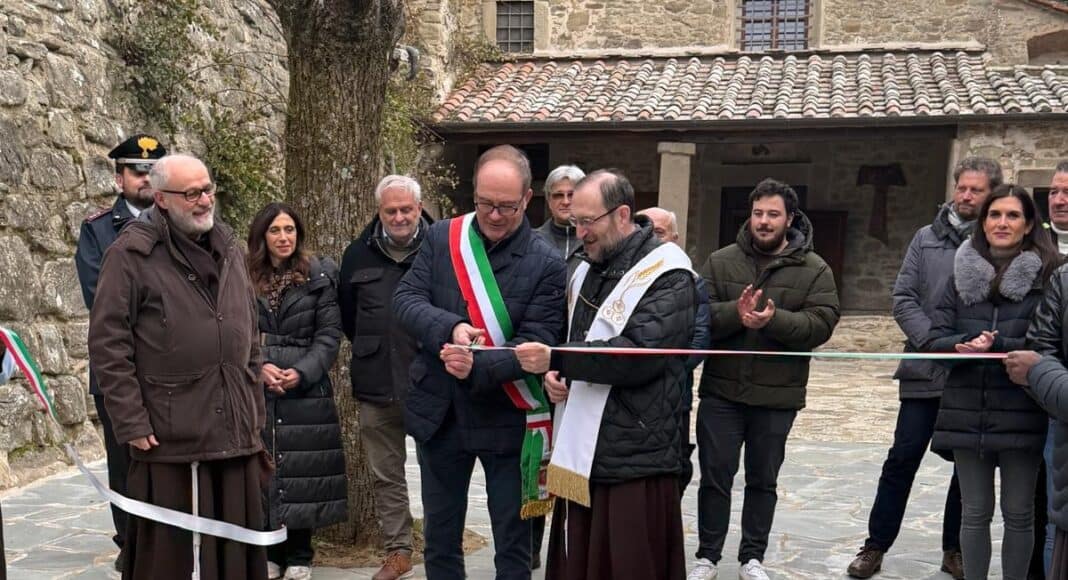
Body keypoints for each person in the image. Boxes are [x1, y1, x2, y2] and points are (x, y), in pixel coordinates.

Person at [88, 154, 268, 580]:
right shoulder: (130, 255)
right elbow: (108, 344)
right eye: (192, 193)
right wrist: (130, 421)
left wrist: (254, 403)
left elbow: (251, 334)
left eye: (208, 189)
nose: (205, 200)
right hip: (171, 436)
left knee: (234, 555)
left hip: (235, 430)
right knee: (172, 560)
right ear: (162, 199)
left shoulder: (229, 247)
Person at [393, 145, 567, 579]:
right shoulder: (443, 237)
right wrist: (450, 327)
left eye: (506, 206)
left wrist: (478, 367)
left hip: (507, 414)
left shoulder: (546, 262)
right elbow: (406, 300)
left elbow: (539, 339)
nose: (493, 215)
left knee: (513, 543)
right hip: (441, 412)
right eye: (485, 203)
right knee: (441, 539)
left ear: (528, 199)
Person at [513, 170, 695, 579]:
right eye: (573, 222)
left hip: (637, 453)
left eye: (586, 222)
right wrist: (556, 374)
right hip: (584, 451)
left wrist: (559, 358)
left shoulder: (669, 272)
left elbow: (640, 354)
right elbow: (573, 342)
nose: (579, 233)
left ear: (622, 214)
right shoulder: (584, 267)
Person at [847, 156, 1002, 580]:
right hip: (924, 368)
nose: (966, 196)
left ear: (993, 195)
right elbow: (903, 298)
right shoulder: (924, 238)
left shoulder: (1001, 242)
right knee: (902, 458)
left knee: (967, 469)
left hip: (974, 374)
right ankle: (875, 546)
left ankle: (954, 549)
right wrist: (934, 343)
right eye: (962, 188)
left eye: (976, 190)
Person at [689, 178, 840, 580]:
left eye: (773, 214)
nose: (764, 221)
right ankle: (707, 556)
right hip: (722, 392)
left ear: (790, 219)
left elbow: (823, 322)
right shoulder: (721, 261)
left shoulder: (815, 268)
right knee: (715, 477)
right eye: (758, 213)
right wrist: (732, 315)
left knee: (763, 480)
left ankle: (751, 558)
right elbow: (697, 314)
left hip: (777, 396)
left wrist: (776, 321)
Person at [925, 185, 1060, 580]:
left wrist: (1000, 344)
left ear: (1029, 224)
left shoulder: (1049, 277)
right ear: (982, 223)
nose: (1002, 223)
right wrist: (961, 345)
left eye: (1012, 215)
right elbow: (934, 339)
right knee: (973, 512)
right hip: (966, 411)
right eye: (994, 215)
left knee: (1019, 514)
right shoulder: (959, 276)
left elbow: (1048, 345)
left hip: (1023, 411)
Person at [74, 133, 166, 570]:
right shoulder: (97, 231)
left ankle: (171, 540)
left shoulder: (184, 226)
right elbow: (103, 300)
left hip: (174, 368)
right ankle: (130, 544)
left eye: (152, 170)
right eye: (137, 170)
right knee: (124, 460)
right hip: (119, 369)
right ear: (119, 179)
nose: (145, 178)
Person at [339, 175, 431, 580]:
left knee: (438, 470)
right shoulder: (357, 254)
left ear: (418, 208)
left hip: (430, 382)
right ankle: (398, 551)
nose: (398, 217)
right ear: (379, 211)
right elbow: (348, 316)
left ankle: (442, 546)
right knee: (385, 475)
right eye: (390, 210)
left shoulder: (441, 248)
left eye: (405, 209)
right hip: (376, 381)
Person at [248, 203, 347, 580]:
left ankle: (301, 554)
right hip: (259, 387)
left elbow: (328, 335)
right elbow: (236, 333)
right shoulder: (242, 277)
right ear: (262, 236)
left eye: (290, 229)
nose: (284, 237)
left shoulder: (318, 276)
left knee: (304, 470)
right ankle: (270, 550)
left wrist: (301, 372)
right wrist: (258, 367)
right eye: (276, 230)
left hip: (306, 388)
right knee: (265, 472)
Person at [638, 206, 711, 495]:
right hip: (626, 401)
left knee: (673, 468)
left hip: (672, 395)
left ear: (675, 239)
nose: (652, 239)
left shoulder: (692, 281)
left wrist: (661, 373)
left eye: (659, 232)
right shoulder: (621, 280)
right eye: (645, 231)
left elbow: (699, 339)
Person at [535, 165, 586, 278]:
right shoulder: (532, 241)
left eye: (571, 195)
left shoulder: (596, 239)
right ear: (548, 200)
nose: (565, 201)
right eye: (558, 195)